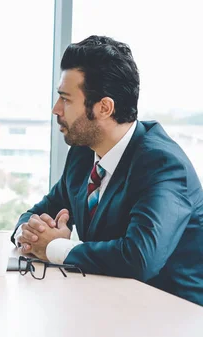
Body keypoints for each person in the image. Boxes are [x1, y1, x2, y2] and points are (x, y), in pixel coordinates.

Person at [11, 36, 203, 306]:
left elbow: (139, 258)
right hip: (109, 307)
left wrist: (54, 247)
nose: (56, 109)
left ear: (104, 108)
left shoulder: (163, 165)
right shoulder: (82, 153)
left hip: (172, 318)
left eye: (66, 99)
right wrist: (27, 232)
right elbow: (41, 211)